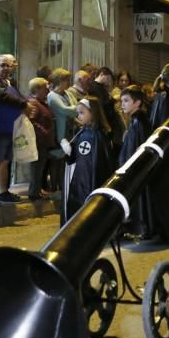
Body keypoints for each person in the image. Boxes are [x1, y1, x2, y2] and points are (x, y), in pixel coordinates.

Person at [0, 54, 33, 205]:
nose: (6, 68)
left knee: (4, 161)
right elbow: (3, 96)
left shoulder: (7, 81)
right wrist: (24, 105)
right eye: (2, 65)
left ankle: (3, 191)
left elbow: (19, 97)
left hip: (10, 128)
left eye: (8, 65)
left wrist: (25, 103)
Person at [60, 96, 113, 224]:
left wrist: (70, 153)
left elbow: (86, 165)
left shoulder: (92, 135)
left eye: (82, 112)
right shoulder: (86, 131)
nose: (78, 116)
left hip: (83, 183)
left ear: (93, 113)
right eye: (78, 113)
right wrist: (70, 151)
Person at [119, 84, 154, 238]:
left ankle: (141, 228)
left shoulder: (139, 122)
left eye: (126, 100)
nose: (122, 104)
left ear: (137, 102)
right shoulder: (136, 120)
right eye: (122, 101)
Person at [46, 68, 78, 196]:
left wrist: (74, 109)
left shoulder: (67, 93)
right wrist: (76, 109)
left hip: (70, 131)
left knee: (64, 161)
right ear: (60, 80)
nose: (69, 82)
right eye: (66, 80)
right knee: (56, 161)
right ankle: (54, 189)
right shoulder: (52, 96)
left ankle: (63, 187)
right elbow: (66, 110)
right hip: (59, 132)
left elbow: (74, 107)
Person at [26, 77, 56, 201]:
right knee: (37, 168)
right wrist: (43, 132)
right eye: (45, 88)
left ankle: (37, 190)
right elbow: (31, 121)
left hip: (43, 140)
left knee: (40, 167)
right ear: (37, 89)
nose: (47, 90)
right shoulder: (33, 103)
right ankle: (34, 193)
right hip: (39, 141)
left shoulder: (41, 102)